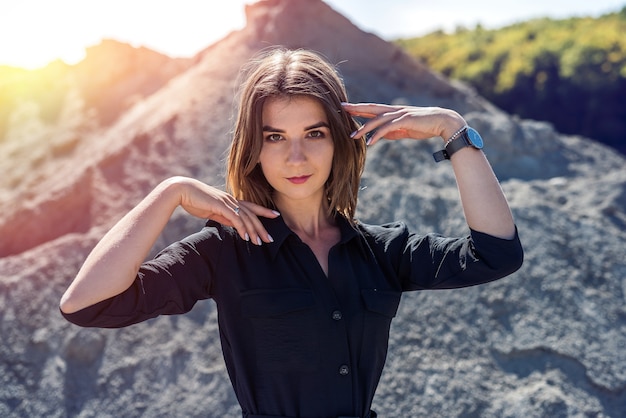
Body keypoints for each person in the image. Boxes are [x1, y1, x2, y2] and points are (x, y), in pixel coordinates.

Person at [60, 48, 523, 418]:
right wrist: (169, 193)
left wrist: (453, 129)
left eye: (314, 133)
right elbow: (88, 305)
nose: (296, 158)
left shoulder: (381, 251)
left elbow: (497, 254)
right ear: (253, 147)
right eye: (275, 137)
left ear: (339, 140)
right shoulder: (225, 251)